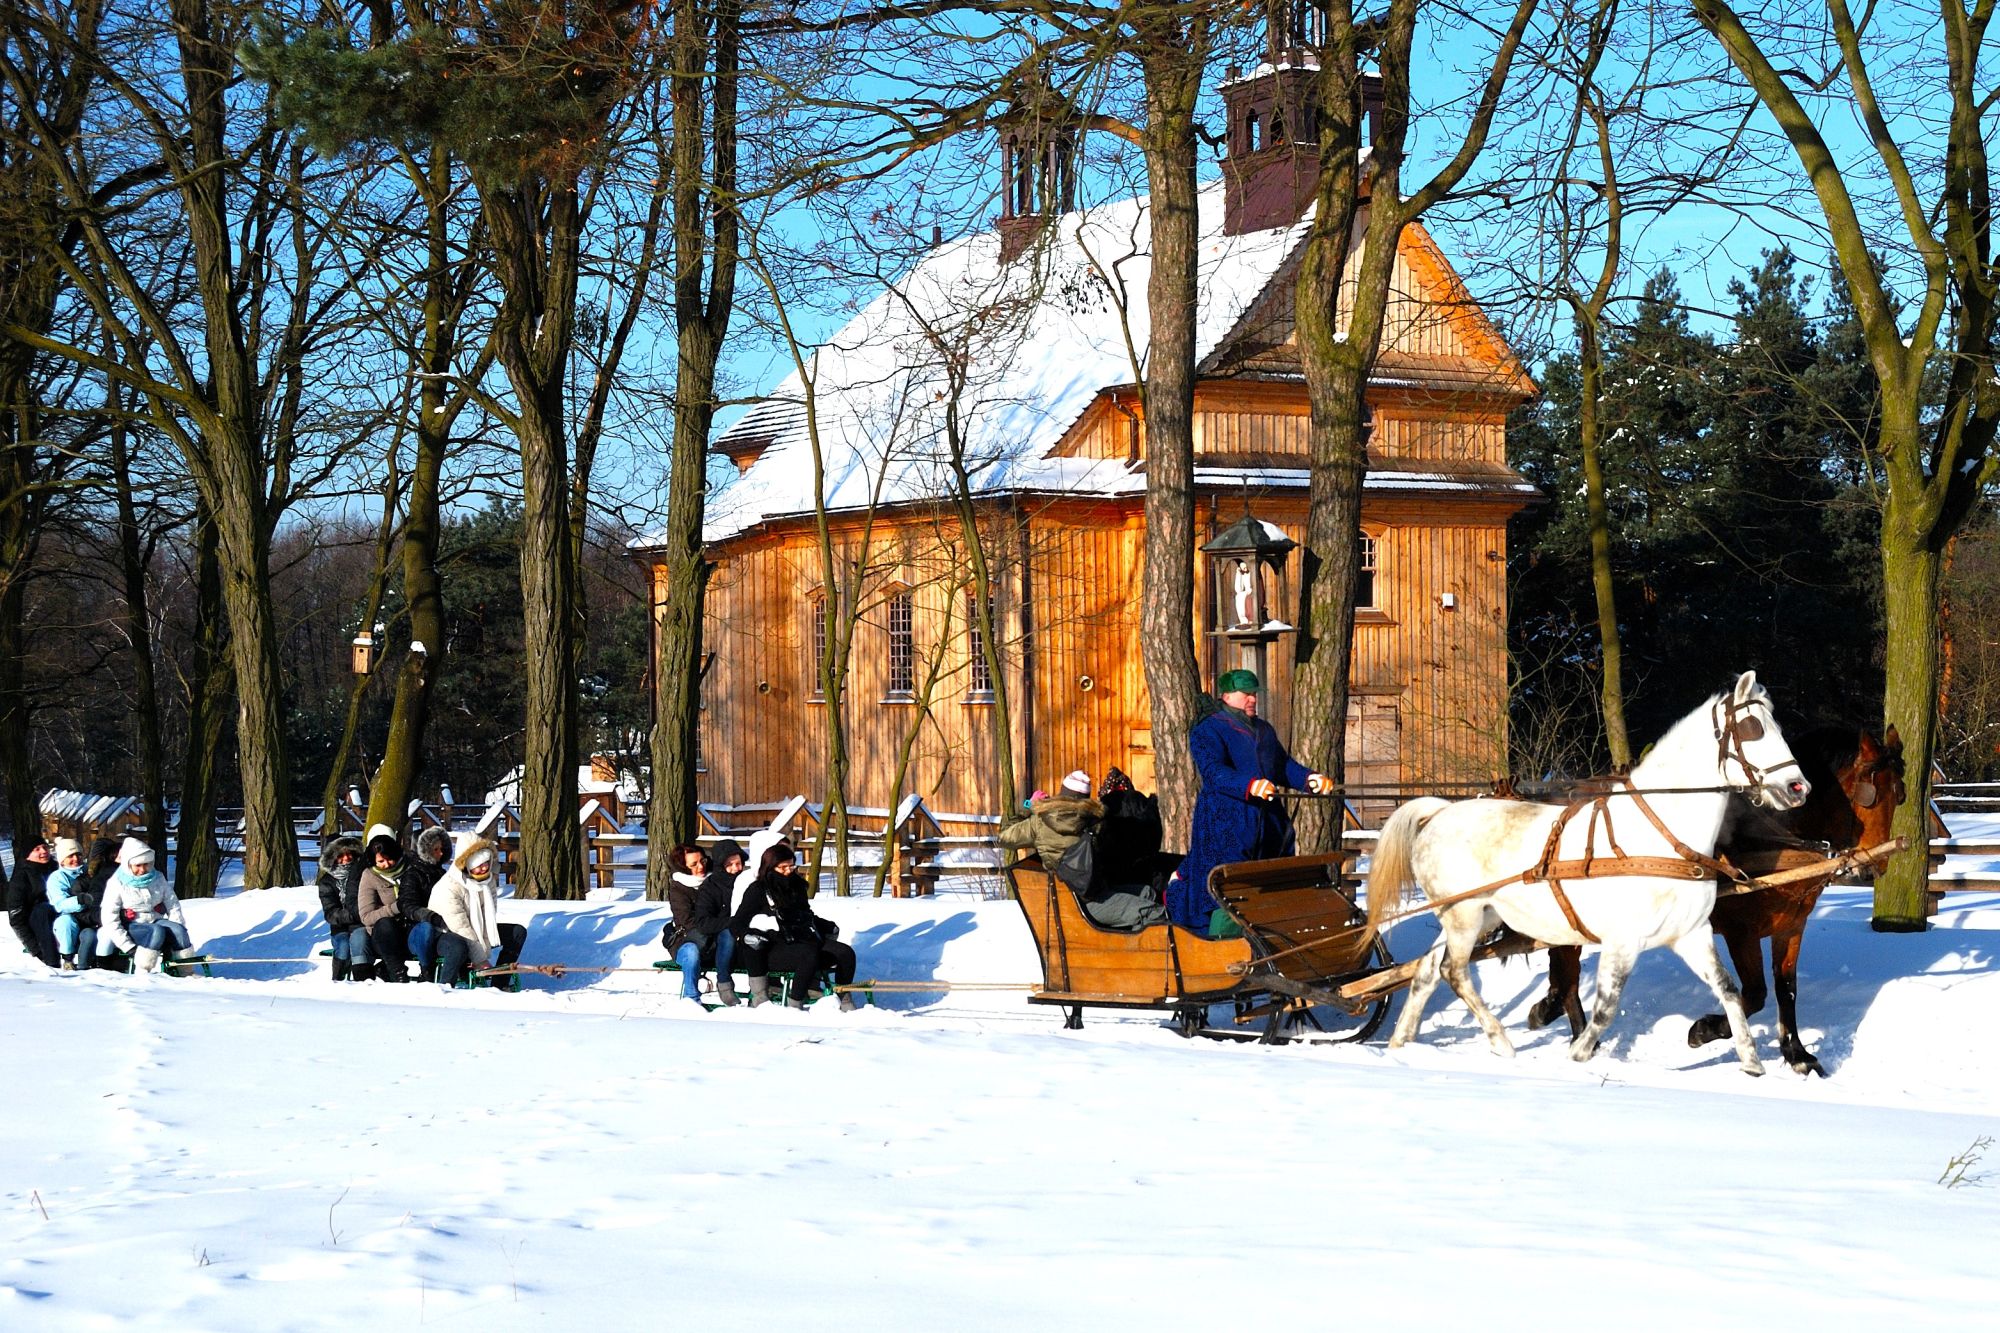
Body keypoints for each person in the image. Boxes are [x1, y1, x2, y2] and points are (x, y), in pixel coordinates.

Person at [1168, 668, 1333, 935]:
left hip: (1267, 824)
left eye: (1254, 694)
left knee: (1270, 885)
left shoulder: (1264, 730)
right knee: (1226, 888)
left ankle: (1272, 941)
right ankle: (1220, 949)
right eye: (1246, 694)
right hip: (1225, 824)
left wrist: (1310, 779)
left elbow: (1282, 766)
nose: (1253, 699)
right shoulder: (1208, 729)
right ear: (1227, 695)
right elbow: (1213, 772)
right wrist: (1249, 785)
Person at [730, 842, 858, 1010]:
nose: (788, 871)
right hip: (775, 946)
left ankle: (844, 997)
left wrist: (824, 925)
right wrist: (748, 935)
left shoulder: (797, 886)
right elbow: (737, 922)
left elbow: (805, 913)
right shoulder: (758, 890)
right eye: (783, 868)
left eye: (791, 866)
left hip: (803, 936)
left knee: (845, 953)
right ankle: (795, 1003)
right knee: (809, 955)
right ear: (770, 867)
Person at [429, 837, 527, 987]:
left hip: (477, 930)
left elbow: (488, 919)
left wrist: (483, 950)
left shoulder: (488, 882)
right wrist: (480, 959)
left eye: (486, 863)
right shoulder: (449, 887)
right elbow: (460, 928)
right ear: (466, 864)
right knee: (458, 946)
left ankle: (499, 983)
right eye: (478, 865)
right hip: (446, 933)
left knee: (517, 932)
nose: (484, 869)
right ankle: (446, 987)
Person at [357, 832, 442, 982]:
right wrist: (396, 907)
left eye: (390, 859)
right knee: (385, 923)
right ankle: (397, 972)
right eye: (381, 861)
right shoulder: (369, 876)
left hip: (411, 927)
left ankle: (427, 972)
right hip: (384, 936)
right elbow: (366, 916)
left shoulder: (411, 868)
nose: (387, 864)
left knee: (426, 928)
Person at [100, 837, 192, 972]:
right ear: (128, 864)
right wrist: (127, 946)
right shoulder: (117, 883)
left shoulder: (158, 877)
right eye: (138, 865)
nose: (143, 869)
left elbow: (172, 904)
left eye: (146, 864)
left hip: (155, 920)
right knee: (156, 932)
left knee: (178, 930)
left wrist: (177, 927)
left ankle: (183, 970)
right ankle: (143, 969)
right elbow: (109, 917)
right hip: (133, 925)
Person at [664, 842, 738, 1007]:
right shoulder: (678, 889)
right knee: (691, 952)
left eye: (703, 861)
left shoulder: (717, 881)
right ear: (683, 867)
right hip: (689, 939)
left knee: (728, 933)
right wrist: (714, 923)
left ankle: (724, 984)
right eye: (694, 864)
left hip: (718, 941)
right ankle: (692, 999)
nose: (700, 866)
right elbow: (686, 921)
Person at [315, 835, 371, 981]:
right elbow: (331, 913)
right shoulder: (327, 882)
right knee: (344, 945)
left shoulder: (364, 874)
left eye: (349, 854)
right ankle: (337, 979)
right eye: (341, 855)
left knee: (359, 941)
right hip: (340, 927)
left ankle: (362, 980)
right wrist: (355, 914)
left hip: (362, 925)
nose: (346, 858)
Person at [44, 837, 100, 970]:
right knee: (66, 923)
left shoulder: (90, 871)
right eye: (70, 856)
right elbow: (60, 904)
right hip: (69, 916)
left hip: (91, 915)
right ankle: (68, 959)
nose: (75, 859)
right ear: (62, 860)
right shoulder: (57, 878)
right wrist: (79, 900)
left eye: (78, 854)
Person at [8, 834, 58, 967]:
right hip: (37, 921)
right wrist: (36, 949)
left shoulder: (57, 869)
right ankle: (52, 963)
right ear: (28, 854)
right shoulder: (21, 877)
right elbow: (16, 918)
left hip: (61, 917)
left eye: (44, 847)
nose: (43, 851)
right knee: (43, 909)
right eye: (37, 849)